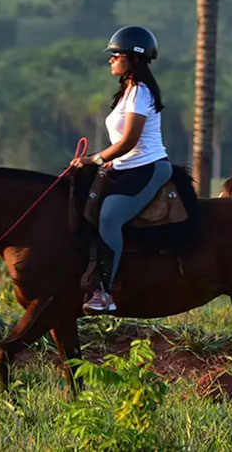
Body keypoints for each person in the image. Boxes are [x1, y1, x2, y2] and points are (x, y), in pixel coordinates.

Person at [74, 25, 171, 313]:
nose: (111, 59)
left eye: (116, 54)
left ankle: (104, 292)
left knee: (110, 216)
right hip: (126, 166)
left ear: (134, 58)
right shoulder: (127, 91)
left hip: (148, 167)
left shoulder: (140, 92)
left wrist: (96, 159)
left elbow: (129, 141)